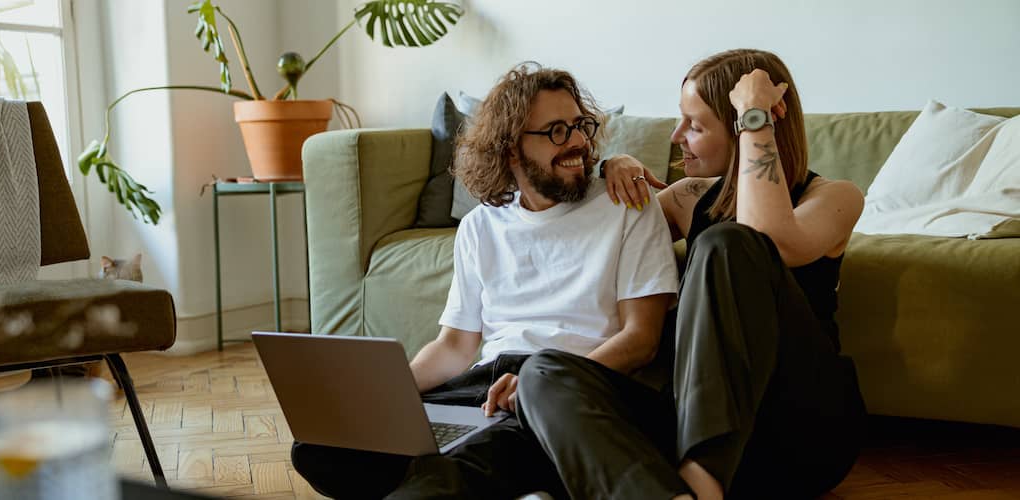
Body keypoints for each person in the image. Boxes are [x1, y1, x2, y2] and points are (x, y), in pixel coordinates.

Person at [290, 62, 680, 499]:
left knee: (458, 468)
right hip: (481, 387)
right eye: (555, 131)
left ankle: (453, 480)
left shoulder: (625, 204)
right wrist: (386, 394)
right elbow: (455, 346)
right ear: (510, 149)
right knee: (323, 445)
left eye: (580, 126)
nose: (577, 142)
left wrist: (539, 386)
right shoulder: (479, 227)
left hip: (565, 393)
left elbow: (641, 337)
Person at [517, 48, 867, 499]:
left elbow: (767, 236)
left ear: (747, 126)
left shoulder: (835, 197)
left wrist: (756, 117)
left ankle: (703, 479)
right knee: (543, 374)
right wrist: (613, 166)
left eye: (696, 125)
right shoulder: (689, 196)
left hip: (800, 431)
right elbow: (601, 238)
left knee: (727, 243)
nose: (677, 135)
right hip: (691, 425)